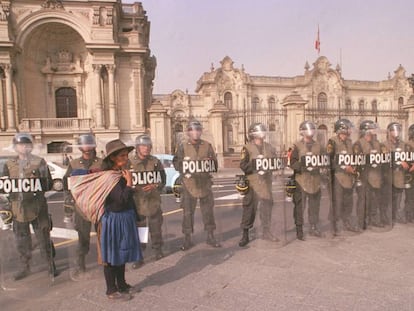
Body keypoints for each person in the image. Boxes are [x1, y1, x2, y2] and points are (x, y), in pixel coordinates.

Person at [2, 133, 58, 280]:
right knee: (22, 240)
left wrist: (37, 181)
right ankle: (24, 267)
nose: (24, 147)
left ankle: (50, 266)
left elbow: (49, 184)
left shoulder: (39, 162)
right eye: (20, 144)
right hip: (17, 208)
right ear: (15, 147)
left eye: (27, 144)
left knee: (43, 238)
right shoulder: (9, 164)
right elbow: (5, 186)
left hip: (38, 207)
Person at [100, 139, 142, 300]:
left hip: (124, 218)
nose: (126, 158)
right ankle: (111, 290)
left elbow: (125, 197)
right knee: (112, 256)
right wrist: (130, 183)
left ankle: (122, 284)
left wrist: (133, 188)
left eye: (126, 155)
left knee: (122, 253)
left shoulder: (119, 173)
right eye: (122, 156)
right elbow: (120, 201)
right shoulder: (110, 177)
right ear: (113, 158)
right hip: (114, 220)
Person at [173, 120, 220, 250]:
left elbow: (215, 165)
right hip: (189, 184)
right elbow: (176, 163)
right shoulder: (182, 146)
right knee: (187, 213)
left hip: (205, 183)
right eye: (193, 130)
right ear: (188, 132)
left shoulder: (207, 145)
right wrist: (187, 166)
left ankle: (210, 236)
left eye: (198, 130)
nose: (196, 132)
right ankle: (187, 239)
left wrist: (209, 161)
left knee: (208, 212)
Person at [63, 133, 103, 275]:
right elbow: (67, 184)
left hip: (98, 206)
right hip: (81, 208)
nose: (87, 148)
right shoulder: (74, 164)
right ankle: (81, 263)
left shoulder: (101, 163)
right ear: (80, 148)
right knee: (83, 238)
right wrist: (69, 201)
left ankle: (105, 261)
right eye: (84, 145)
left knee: (103, 236)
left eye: (89, 144)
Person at [238, 122, 279, 247]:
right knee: (249, 208)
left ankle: (266, 231)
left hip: (266, 182)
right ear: (253, 134)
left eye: (263, 132)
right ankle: (245, 234)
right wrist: (256, 164)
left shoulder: (269, 147)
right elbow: (243, 165)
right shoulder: (247, 148)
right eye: (259, 132)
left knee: (267, 207)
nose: (262, 134)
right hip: (253, 182)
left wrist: (276, 169)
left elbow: (275, 162)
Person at [129, 134, 166, 267]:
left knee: (156, 228)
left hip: (153, 201)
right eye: (143, 146)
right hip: (137, 203)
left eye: (148, 146)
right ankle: (140, 256)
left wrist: (155, 185)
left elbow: (162, 179)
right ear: (137, 147)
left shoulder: (155, 162)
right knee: (140, 230)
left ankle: (158, 250)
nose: (146, 148)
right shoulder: (130, 162)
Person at [290, 121, 325, 240]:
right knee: (300, 206)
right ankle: (299, 229)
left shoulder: (318, 146)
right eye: (307, 131)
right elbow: (292, 163)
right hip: (301, 180)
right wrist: (302, 165)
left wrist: (323, 167)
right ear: (302, 132)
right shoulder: (297, 146)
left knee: (314, 206)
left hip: (315, 180)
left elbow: (324, 160)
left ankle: (314, 226)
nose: (309, 134)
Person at [326, 119, 360, 235]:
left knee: (348, 202)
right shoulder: (332, 142)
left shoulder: (350, 142)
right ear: (341, 129)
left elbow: (353, 158)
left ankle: (347, 222)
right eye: (348, 128)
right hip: (338, 177)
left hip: (349, 178)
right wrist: (345, 167)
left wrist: (354, 167)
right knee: (337, 202)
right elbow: (329, 160)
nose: (350, 131)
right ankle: (334, 225)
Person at [353, 120, 387, 229]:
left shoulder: (378, 143)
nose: (373, 132)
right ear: (365, 131)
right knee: (363, 200)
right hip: (363, 177)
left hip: (376, 176)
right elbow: (357, 159)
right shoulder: (358, 144)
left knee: (375, 199)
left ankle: (373, 219)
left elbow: (385, 156)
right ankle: (361, 221)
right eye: (371, 130)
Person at [382, 122, 410, 224]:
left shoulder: (403, 144)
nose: (396, 132)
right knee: (388, 197)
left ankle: (396, 215)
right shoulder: (384, 145)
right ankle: (387, 216)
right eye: (393, 130)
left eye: (397, 130)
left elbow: (408, 157)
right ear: (389, 132)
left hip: (400, 175)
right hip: (389, 174)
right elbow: (385, 160)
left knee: (398, 196)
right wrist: (399, 162)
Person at [404, 124, 414, 222]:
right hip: (410, 174)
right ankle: (409, 215)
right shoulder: (408, 145)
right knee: (410, 196)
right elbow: (406, 159)